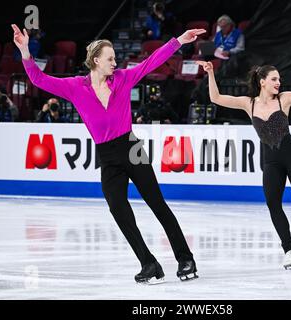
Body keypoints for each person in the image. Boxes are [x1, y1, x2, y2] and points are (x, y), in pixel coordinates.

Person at [12, 23, 205, 283]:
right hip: (107, 155)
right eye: (110, 58)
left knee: (156, 203)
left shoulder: (124, 78)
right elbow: (39, 80)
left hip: (131, 147)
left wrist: (179, 41)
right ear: (95, 61)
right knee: (118, 208)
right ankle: (148, 263)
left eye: (115, 58)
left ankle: (185, 259)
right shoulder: (75, 87)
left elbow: (151, 62)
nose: (115, 62)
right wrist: (25, 50)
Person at [198, 57, 291, 269]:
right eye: (274, 79)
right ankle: (290, 250)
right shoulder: (249, 103)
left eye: (279, 79)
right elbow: (216, 98)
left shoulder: (284, 99)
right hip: (271, 161)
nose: (279, 83)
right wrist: (210, 73)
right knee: (272, 203)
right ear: (262, 82)